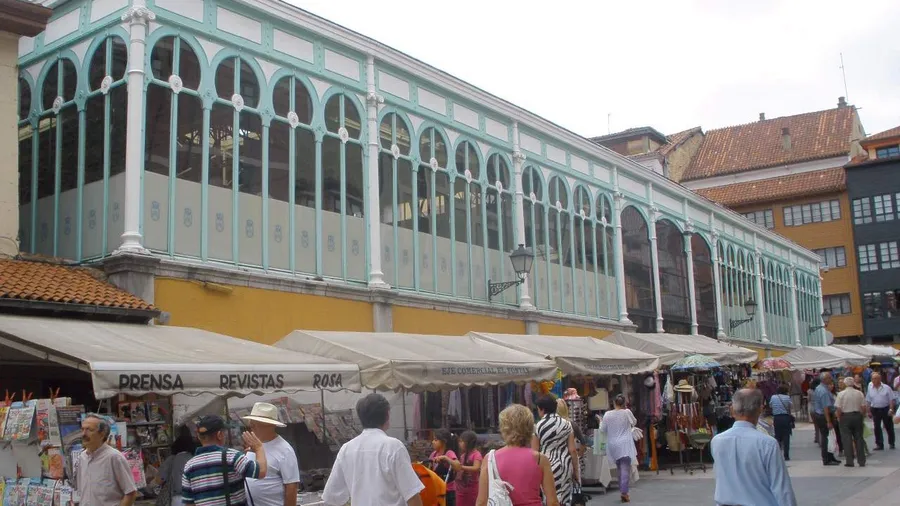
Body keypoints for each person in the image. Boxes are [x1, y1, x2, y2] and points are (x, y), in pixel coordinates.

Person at [322, 393, 424, 506]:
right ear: (387, 415)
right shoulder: (393, 447)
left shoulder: (346, 450)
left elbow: (331, 498)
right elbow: (412, 495)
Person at [711, 389, 796, 506]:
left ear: (732, 410)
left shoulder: (717, 441)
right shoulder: (767, 444)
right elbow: (781, 488)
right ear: (760, 410)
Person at [475, 404, 559, 506]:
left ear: (504, 427)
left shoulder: (490, 459)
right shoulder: (540, 459)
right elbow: (553, 502)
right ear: (530, 428)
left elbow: (482, 501)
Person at [181, 415, 268, 506]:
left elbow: (189, 503)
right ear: (219, 435)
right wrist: (259, 448)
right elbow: (261, 471)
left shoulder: (189, 466)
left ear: (199, 437)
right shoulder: (232, 456)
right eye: (224, 432)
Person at [243, 402, 301, 506]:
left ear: (270, 425)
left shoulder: (285, 450)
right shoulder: (253, 444)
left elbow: (291, 487)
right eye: (251, 422)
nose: (251, 425)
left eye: (256, 422)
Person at [75, 413, 138, 506]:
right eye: (82, 429)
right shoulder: (82, 457)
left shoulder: (114, 457)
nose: (83, 434)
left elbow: (131, 493)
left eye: (89, 430)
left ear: (102, 434)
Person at [533, 394, 579, 506]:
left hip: (546, 465)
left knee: (548, 498)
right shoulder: (567, 424)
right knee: (564, 499)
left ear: (542, 409)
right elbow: (572, 450)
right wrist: (576, 471)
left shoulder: (538, 426)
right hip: (564, 465)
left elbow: (534, 452)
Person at [598, 395, 638, 503]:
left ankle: (623, 490)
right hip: (625, 444)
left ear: (614, 403)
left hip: (612, 444)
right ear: (624, 403)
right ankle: (624, 492)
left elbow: (602, 429)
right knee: (625, 468)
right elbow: (634, 422)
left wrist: (601, 421)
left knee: (620, 468)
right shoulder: (627, 412)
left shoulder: (607, 414)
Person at [157, 426, 199, 506]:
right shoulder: (195, 458)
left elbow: (159, 480)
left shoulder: (172, 459)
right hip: (195, 498)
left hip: (178, 498)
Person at [836, 377, 868, 467]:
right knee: (859, 438)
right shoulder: (859, 393)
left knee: (847, 439)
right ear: (853, 383)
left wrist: (839, 417)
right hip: (857, 416)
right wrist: (862, 416)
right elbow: (864, 407)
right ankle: (861, 460)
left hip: (845, 416)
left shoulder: (841, 394)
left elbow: (838, 408)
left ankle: (849, 461)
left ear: (845, 384)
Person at [812, 372, 841, 466]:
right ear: (824, 379)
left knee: (829, 437)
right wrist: (828, 421)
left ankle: (831, 456)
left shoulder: (820, 388)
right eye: (829, 378)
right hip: (824, 416)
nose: (831, 379)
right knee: (827, 437)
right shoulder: (823, 391)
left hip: (819, 414)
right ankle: (827, 458)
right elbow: (826, 408)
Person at [448, 431, 481, 506]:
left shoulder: (476, 454)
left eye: (461, 441)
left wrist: (461, 467)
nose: (460, 444)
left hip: (472, 490)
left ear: (468, 442)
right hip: (460, 489)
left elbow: (476, 468)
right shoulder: (463, 455)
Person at [866, 372, 896, 450]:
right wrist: (868, 411)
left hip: (885, 408)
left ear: (879, 379)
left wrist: (891, 409)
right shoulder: (870, 387)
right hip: (875, 409)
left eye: (875, 378)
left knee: (889, 427)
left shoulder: (886, 388)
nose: (873, 380)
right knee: (877, 427)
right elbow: (868, 400)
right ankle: (879, 444)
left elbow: (891, 399)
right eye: (872, 379)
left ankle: (891, 443)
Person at [430, 429, 459, 506]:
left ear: (444, 441)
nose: (433, 442)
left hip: (448, 491)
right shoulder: (434, 454)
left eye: (435, 440)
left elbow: (458, 466)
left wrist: (446, 458)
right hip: (437, 490)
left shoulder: (449, 453)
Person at [770, 385, 794, 461]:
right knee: (786, 436)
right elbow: (791, 406)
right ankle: (786, 455)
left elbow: (770, 405)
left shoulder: (773, 397)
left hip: (776, 418)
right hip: (785, 418)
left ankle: (777, 454)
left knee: (777, 436)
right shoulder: (787, 397)